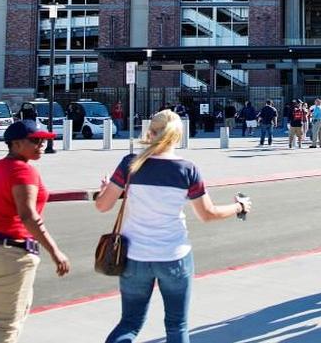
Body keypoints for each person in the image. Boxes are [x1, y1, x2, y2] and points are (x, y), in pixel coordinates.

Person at [94, 110, 250, 343]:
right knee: (177, 326)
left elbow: (102, 205)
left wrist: (108, 188)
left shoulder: (130, 164)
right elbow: (208, 214)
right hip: (174, 256)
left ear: (150, 132)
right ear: (178, 137)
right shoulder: (187, 170)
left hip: (134, 257)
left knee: (130, 323)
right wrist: (239, 207)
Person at [0, 120, 71, 343]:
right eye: (35, 140)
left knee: (11, 314)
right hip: (9, 253)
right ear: (15, 144)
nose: (42, 144)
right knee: (6, 327)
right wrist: (55, 251)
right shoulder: (23, 171)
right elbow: (28, 216)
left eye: (44, 140)